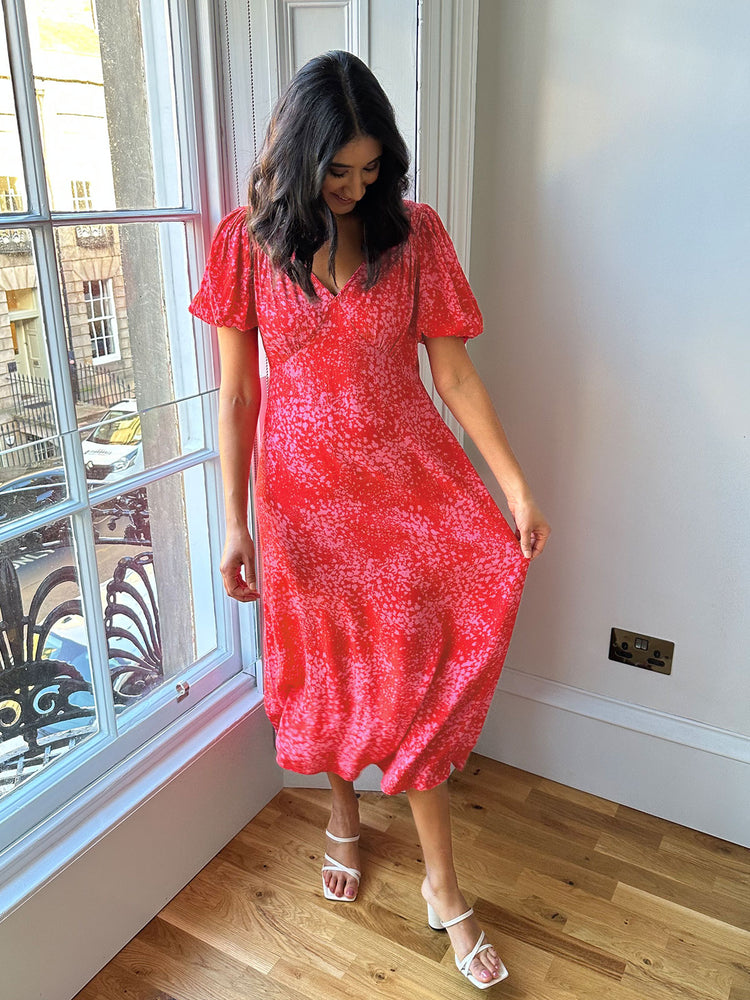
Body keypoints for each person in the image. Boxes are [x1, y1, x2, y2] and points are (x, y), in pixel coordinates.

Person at [190, 49, 549, 991]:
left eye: (372, 168)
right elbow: (235, 399)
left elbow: (454, 372)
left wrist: (511, 483)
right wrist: (235, 523)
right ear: (300, 156)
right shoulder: (244, 245)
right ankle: (343, 817)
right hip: (304, 504)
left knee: (413, 684)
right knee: (331, 669)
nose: (356, 188)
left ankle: (442, 884)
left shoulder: (415, 235)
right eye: (337, 170)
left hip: (408, 493)